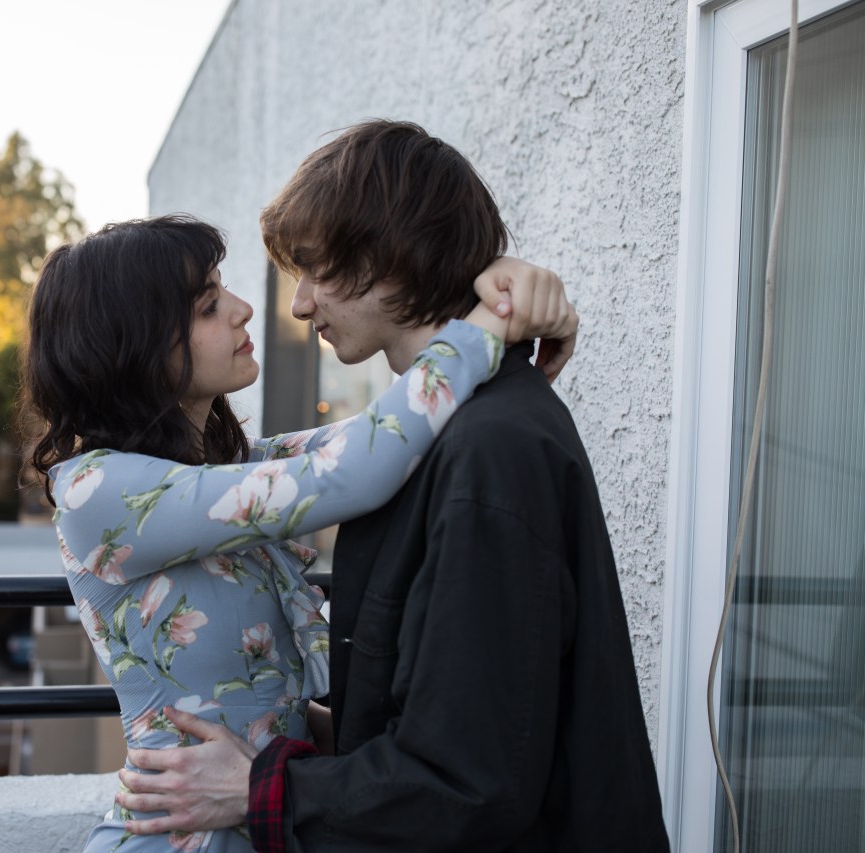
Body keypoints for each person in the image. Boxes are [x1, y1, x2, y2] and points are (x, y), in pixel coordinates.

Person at [115, 121, 671, 851]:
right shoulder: (427, 437)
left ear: (388, 257)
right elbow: (439, 706)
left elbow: (463, 780)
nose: (300, 304)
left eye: (315, 269)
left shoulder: (487, 451)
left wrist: (258, 789)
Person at [25, 212, 576, 852]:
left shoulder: (234, 470)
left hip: (257, 821)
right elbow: (358, 470)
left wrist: (506, 290)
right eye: (207, 305)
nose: (242, 310)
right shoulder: (99, 491)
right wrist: (490, 322)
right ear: (134, 345)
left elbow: (392, 436)